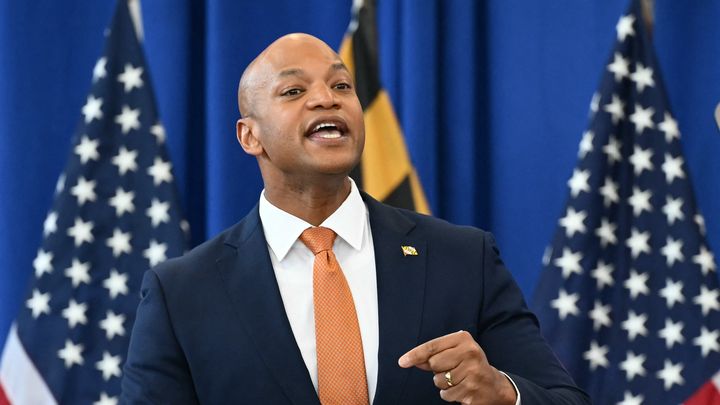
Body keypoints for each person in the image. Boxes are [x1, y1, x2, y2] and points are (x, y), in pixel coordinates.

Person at [121, 33, 590, 405]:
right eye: (293, 90)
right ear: (250, 136)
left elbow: (564, 400)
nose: (327, 99)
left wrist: (503, 393)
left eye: (341, 85)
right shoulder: (181, 293)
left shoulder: (463, 258)